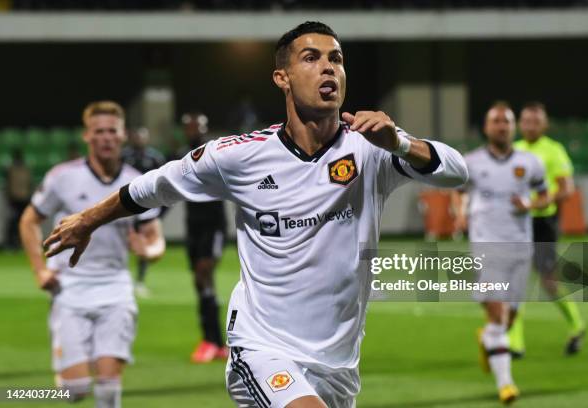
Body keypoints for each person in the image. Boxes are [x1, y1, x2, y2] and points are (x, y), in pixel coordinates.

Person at [42, 22, 468, 408]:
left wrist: (400, 143)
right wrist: (88, 219)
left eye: (336, 59)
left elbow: (455, 171)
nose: (328, 68)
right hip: (264, 348)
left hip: (338, 365)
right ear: (282, 78)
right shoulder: (239, 156)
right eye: (311, 58)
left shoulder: (372, 148)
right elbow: (154, 186)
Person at [19, 101, 165, 407]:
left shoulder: (137, 182)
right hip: (69, 289)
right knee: (76, 390)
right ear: (87, 136)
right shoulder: (63, 177)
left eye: (112, 131)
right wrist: (39, 271)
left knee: (109, 388)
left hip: (116, 289)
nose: (106, 137)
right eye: (99, 131)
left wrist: (148, 251)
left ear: (123, 134)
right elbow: (28, 220)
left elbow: (156, 240)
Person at [452, 101, 549, 404]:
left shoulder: (530, 162)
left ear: (513, 127)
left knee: (508, 320)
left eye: (506, 122)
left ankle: (488, 340)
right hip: (486, 247)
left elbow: (545, 195)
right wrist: (461, 213)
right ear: (486, 127)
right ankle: (506, 385)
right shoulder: (472, 162)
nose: (502, 126)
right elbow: (457, 190)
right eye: (496, 121)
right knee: (498, 316)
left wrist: (531, 205)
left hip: (520, 247)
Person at [511, 102, 586, 356]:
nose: (530, 126)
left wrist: (536, 202)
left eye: (535, 121)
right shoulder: (513, 149)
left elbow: (566, 189)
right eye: (526, 121)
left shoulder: (553, 151)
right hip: (516, 223)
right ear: (520, 124)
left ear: (544, 124)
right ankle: (515, 343)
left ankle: (576, 324)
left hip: (543, 223)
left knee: (548, 281)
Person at [179, 112, 229, 364]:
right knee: (200, 284)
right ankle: (215, 342)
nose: (192, 130)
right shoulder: (180, 156)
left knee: (204, 274)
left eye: (196, 126)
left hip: (213, 227)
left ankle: (213, 340)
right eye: (188, 127)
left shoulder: (215, 153)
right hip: (193, 227)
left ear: (204, 128)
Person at [121, 127, 167, 297]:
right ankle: (122, 279)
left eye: (142, 137)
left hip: (147, 208)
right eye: (137, 136)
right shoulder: (123, 156)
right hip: (124, 207)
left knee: (144, 242)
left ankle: (139, 281)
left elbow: (164, 184)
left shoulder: (155, 157)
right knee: (123, 241)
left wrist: (160, 213)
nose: (139, 139)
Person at [4, 148, 32, 249]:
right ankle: (10, 242)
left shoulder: (25, 169)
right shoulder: (11, 169)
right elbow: (8, 184)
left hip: (24, 198)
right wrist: (9, 197)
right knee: (13, 221)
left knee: (24, 222)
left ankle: (22, 242)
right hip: (14, 199)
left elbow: (29, 184)